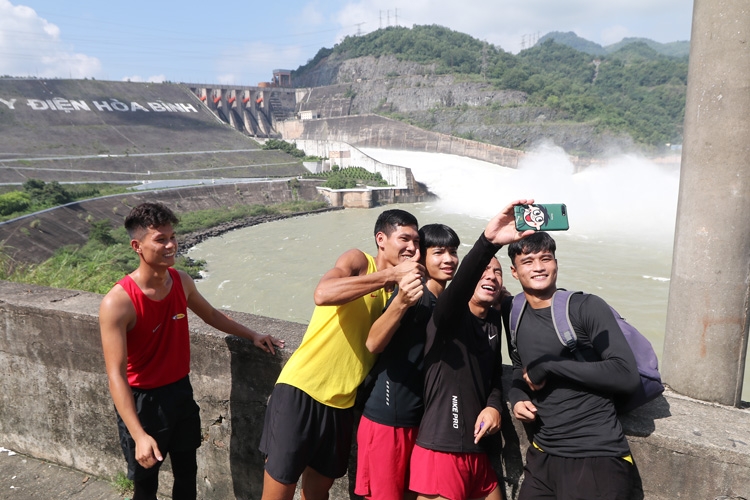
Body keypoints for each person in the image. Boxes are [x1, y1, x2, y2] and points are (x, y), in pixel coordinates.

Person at [99, 202, 284, 500]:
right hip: (143, 402)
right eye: (160, 239)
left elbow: (211, 315)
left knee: (187, 475)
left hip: (180, 393)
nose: (171, 245)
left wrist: (252, 334)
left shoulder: (181, 281)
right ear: (137, 246)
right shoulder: (118, 302)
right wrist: (139, 434)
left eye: (172, 236)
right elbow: (116, 375)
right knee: (146, 487)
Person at [259, 209, 424, 500]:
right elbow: (323, 294)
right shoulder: (360, 261)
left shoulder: (402, 294)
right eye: (405, 238)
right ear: (381, 239)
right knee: (279, 489)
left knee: (317, 492)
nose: (413, 247)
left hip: (343, 403)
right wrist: (389, 274)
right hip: (302, 388)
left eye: (417, 242)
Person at [409, 200, 536, 500]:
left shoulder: (493, 321)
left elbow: (493, 377)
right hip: (441, 448)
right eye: (484, 271)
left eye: (498, 273)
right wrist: (488, 243)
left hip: (477, 451)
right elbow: (462, 281)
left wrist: (494, 406)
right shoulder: (446, 317)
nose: (491, 276)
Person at [505, 231, 641, 499]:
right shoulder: (515, 313)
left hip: (596, 457)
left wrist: (551, 366)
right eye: (528, 261)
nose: (539, 267)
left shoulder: (585, 307)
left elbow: (626, 374)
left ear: (556, 263)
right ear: (514, 271)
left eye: (546, 258)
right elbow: (519, 370)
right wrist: (518, 396)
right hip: (542, 455)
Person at [356, 223, 461, 500]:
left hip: (418, 421)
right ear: (422, 258)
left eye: (453, 251)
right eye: (438, 252)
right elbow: (373, 342)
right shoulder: (414, 295)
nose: (449, 259)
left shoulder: (443, 302)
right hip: (389, 419)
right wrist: (401, 302)